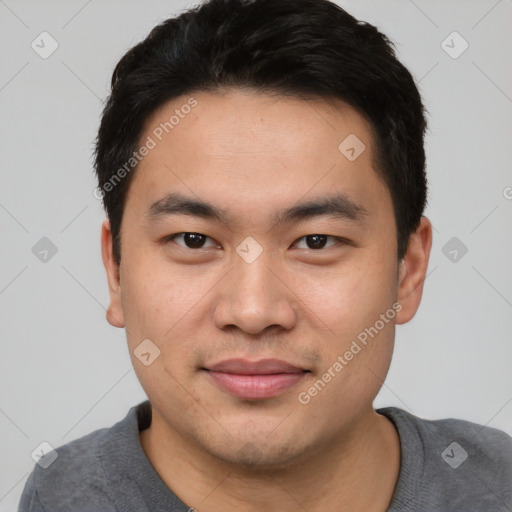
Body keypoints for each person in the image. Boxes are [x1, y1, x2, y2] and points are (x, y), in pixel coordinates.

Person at [18, 0, 512, 510]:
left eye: (316, 242)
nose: (253, 312)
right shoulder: (60, 497)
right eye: (193, 240)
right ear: (115, 270)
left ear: (407, 270)